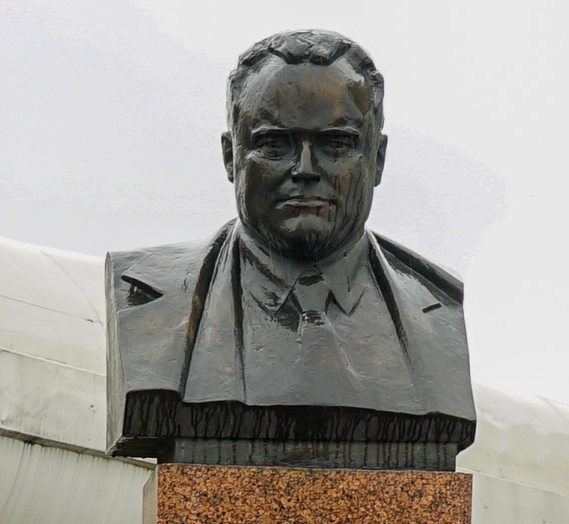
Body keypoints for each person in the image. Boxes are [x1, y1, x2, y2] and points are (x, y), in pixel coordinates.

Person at [105, 28, 474, 459]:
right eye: (273, 144)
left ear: (377, 159)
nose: (304, 169)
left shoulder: (439, 307)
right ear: (231, 157)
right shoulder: (148, 298)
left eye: (336, 144)